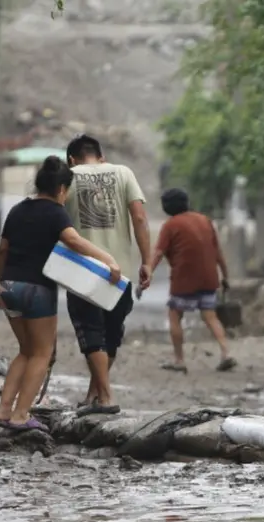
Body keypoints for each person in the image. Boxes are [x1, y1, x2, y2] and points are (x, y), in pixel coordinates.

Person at [0, 156, 121, 432]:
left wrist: (0, 286)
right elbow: (73, 240)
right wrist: (108, 259)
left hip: (9, 288)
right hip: (37, 290)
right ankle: (21, 415)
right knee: (42, 353)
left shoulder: (17, 210)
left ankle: (3, 410)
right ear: (62, 188)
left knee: (25, 351)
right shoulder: (55, 212)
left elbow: (2, 250)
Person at [64, 134, 152, 416]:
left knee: (92, 334)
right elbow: (139, 218)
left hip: (83, 272)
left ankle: (105, 397)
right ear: (101, 157)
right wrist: (147, 261)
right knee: (111, 335)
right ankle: (95, 394)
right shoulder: (123, 172)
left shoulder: (67, 176)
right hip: (120, 272)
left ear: (71, 159)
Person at [150, 188, 236, 372]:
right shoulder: (204, 220)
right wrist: (225, 276)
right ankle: (226, 352)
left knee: (174, 315)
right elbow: (218, 252)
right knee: (210, 316)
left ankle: (179, 360)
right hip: (209, 278)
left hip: (184, 280)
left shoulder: (171, 225)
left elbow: (158, 253)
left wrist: (147, 272)